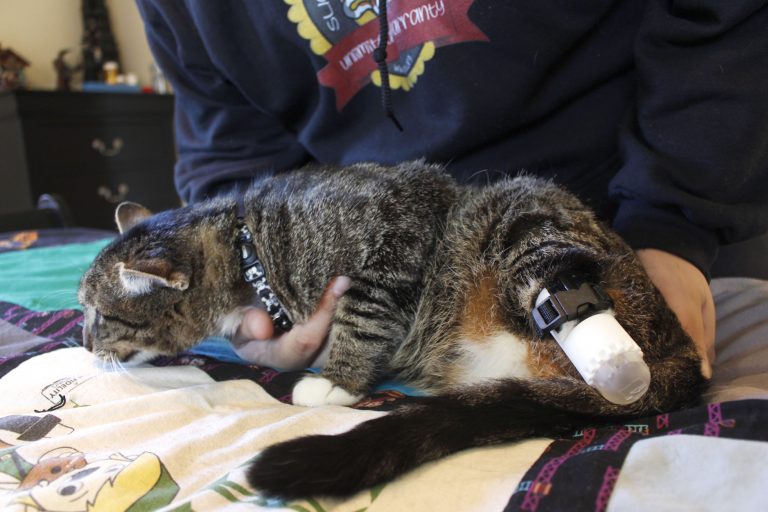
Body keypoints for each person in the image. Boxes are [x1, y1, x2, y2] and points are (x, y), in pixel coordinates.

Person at [135, 0, 768, 376]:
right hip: (383, 290)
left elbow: (720, 19)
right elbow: (232, 150)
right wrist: (257, 301)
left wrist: (672, 222)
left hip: (652, 218)